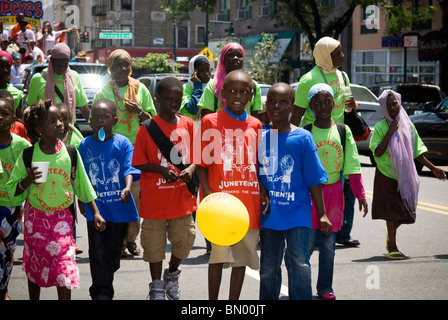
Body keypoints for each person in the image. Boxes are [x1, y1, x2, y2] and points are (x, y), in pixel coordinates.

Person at [6, 100, 104, 300]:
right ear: (39, 128)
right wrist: (27, 180)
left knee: (64, 267)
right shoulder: (29, 155)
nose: (60, 124)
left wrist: (96, 212)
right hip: (36, 221)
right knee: (35, 266)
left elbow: (82, 185)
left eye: (61, 119)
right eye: (52, 121)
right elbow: (13, 190)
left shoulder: (70, 153)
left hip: (62, 221)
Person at [257, 83, 330, 300]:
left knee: (299, 263)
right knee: (269, 267)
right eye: (272, 100)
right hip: (270, 216)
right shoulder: (261, 136)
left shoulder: (303, 138)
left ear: (292, 107)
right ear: (266, 104)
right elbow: (256, 173)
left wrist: (323, 213)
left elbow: (314, 179)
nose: (276, 106)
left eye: (283, 102)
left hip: (298, 214)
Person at [196, 70, 262, 300]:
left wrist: (263, 193)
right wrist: (208, 194)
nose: (237, 95)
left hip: (248, 204)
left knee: (240, 261)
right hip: (220, 206)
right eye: (232, 90)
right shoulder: (209, 121)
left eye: (244, 92)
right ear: (222, 93)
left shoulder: (256, 125)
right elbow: (202, 163)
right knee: (217, 258)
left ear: (251, 95)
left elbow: (258, 165)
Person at [291, 36, 361, 248]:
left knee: (345, 186)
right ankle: (315, 230)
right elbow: (297, 115)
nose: (342, 55)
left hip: (339, 135)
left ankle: (341, 230)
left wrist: (350, 106)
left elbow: (345, 104)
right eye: (338, 52)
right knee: (316, 185)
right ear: (325, 55)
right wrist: (290, 144)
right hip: (314, 139)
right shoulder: (308, 80)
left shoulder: (342, 75)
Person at [132, 77, 197, 300]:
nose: (173, 104)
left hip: (181, 200)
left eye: (177, 100)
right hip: (155, 202)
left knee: (185, 242)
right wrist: (160, 170)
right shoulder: (147, 129)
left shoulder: (187, 124)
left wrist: (191, 169)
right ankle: (157, 286)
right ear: (157, 98)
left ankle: (172, 275)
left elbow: (197, 156)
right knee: (154, 246)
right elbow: (139, 161)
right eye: (168, 99)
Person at [306, 83, 368, 299]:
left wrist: (360, 195)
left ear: (334, 104)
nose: (323, 106)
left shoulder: (342, 130)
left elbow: (352, 164)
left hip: (334, 196)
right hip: (309, 198)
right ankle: (301, 286)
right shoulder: (306, 132)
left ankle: (325, 287)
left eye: (327, 102)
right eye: (318, 102)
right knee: (305, 247)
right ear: (311, 105)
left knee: (328, 246)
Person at [94, 49, 157, 257]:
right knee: (115, 196)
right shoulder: (104, 92)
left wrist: (138, 111)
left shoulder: (141, 89)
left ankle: (130, 239)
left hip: (137, 151)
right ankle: (118, 241)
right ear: (110, 69)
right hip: (112, 151)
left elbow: (151, 121)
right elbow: (97, 124)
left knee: (134, 197)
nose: (123, 69)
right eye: (118, 65)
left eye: (126, 65)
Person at [370, 90, 446, 260]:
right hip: (386, 174)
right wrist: (390, 131)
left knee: (407, 214)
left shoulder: (409, 126)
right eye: (387, 106)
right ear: (383, 108)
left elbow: (417, 152)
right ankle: (392, 247)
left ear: (399, 103)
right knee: (390, 212)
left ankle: (391, 232)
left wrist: (433, 168)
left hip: (404, 175)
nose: (392, 108)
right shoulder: (381, 127)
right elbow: (378, 152)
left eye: (394, 104)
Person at [78, 98, 139, 300]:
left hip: (120, 210)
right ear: (90, 120)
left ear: (115, 119)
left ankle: (105, 280)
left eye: (105, 117)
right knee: (98, 252)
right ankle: (101, 294)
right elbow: (82, 177)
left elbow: (129, 168)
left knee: (112, 255)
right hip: (97, 208)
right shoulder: (84, 145)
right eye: (96, 116)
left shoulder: (123, 143)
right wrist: (83, 201)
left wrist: (128, 188)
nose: (101, 120)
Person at [0, 97, 31, 300]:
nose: (0, 117)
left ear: (13, 119)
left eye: (5, 113)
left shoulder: (22, 146)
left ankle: (3, 289)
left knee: (7, 253)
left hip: (11, 209)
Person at [26, 43, 91, 124]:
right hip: (45, 132)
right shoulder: (38, 79)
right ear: (51, 60)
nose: (61, 68)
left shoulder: (74, 76)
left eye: (65, 65)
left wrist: (96, 129)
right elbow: (30, 107)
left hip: (69, 129)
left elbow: (83, 106)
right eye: (58, 65)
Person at [197, 42, 262, 118]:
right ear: (223, 59)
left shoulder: (253, 86)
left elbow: (255, 119)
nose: (235, 58)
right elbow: (206, 119)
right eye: (230, 55)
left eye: (239, 56)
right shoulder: (213, 85)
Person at [180, 54, 211, 119]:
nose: (206, 74)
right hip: (191, 127)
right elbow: (193, 109)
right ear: (193, 73)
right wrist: (198, 85)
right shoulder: (186, 88)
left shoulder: (213, 86)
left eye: (207, 69)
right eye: (201, 71)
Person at [0, 51, 25, 120]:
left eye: (8, 67)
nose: (5, 70)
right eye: (1, 66)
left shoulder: (17, 93)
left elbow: (19, 120)